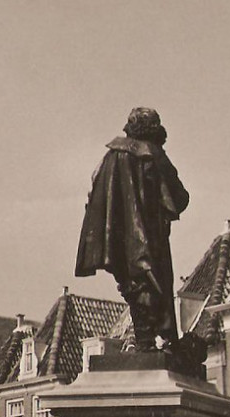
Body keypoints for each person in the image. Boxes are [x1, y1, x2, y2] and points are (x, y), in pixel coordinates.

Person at [74, 107, 190, 351]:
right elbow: (178, 197)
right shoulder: (153, 155)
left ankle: (144, 339)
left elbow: (94, 191)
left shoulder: (110, 157)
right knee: (153, 282)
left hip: (116, 239)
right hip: (150, 235)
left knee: (133, 285)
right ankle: (155, 341)